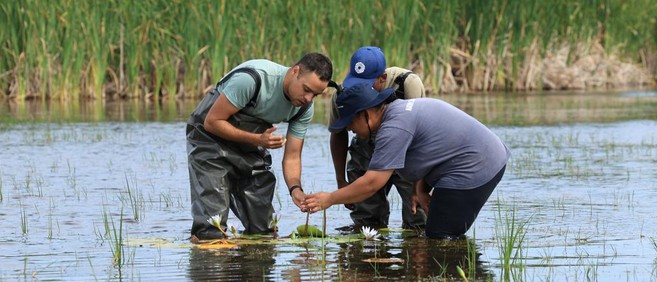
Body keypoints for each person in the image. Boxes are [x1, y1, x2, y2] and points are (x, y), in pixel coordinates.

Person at [304, 84, 510, 239]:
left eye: (350, 124)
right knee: (440, 235)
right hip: (483, 157)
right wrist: (420, 190)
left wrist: (329, 199)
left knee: (441, 238)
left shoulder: (393, 128)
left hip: (476, 165)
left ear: (365, 114)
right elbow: (433, 151)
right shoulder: (398, 112)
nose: (350, 131)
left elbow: (372, 182)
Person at [186, 53, 333, 241]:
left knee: (265, 229)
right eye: (306, 89)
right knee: (211, 228)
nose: (308, 99)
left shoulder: (304, 108)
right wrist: (257, 140)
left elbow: (293, 156)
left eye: (316, 94)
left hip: (251, 145)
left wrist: (296, 189)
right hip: (209, 138)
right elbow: (212, 122)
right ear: (295, 71)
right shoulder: (252, 80)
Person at [328, 46, 426, 230]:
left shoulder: (407, 84)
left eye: (365, 84)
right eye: (354, 82)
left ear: (382, 79)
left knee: (418, 218)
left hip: (407, 151)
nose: (357, 88)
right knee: (366, 220)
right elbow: (338, 135)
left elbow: (420, 136)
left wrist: (419, 187)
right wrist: (341, 180)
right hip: (366, 150)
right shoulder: (342, 94)